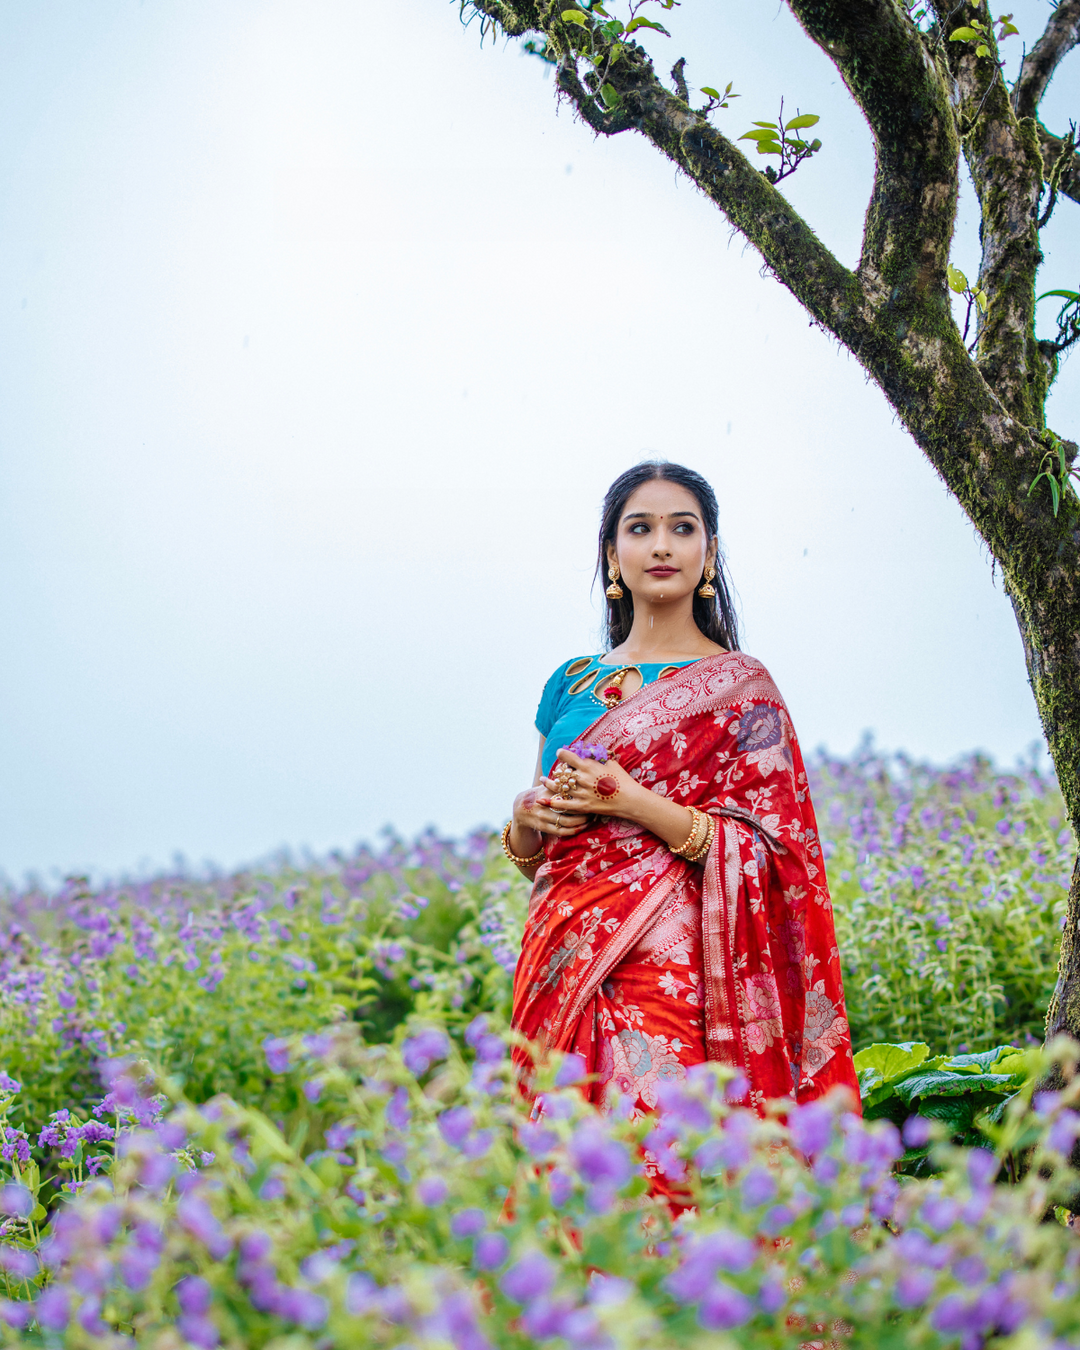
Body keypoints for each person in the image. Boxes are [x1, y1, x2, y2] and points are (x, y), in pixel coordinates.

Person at [502, 461, 859, 1135]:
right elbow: (542, 853)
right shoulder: (568, 684)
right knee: (560, 1157)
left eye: (682, 528)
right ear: (614, 554)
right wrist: (524, 822)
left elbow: (775, 853)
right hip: (561, 951)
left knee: (662, 1152)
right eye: (640, 528)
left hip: (675, 966)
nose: (661, 545)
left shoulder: (740, 690)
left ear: (710, 554)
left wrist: (633, 801)